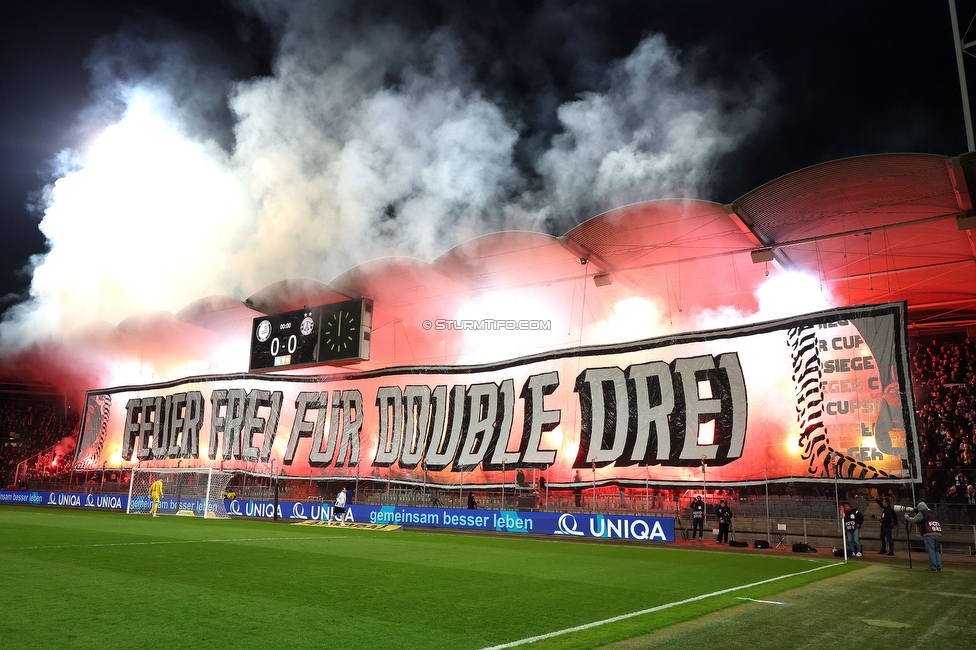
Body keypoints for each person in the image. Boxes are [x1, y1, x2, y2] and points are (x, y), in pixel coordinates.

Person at [905, 502, 943, 572]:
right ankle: (939, 566)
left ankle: (933, 567)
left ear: (920, 508)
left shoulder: (922, 513)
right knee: (936, 550)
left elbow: (914, 520)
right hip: (937, 532)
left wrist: (907, 517)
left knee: (931, 550)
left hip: (929, 534)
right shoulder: (932, 512)